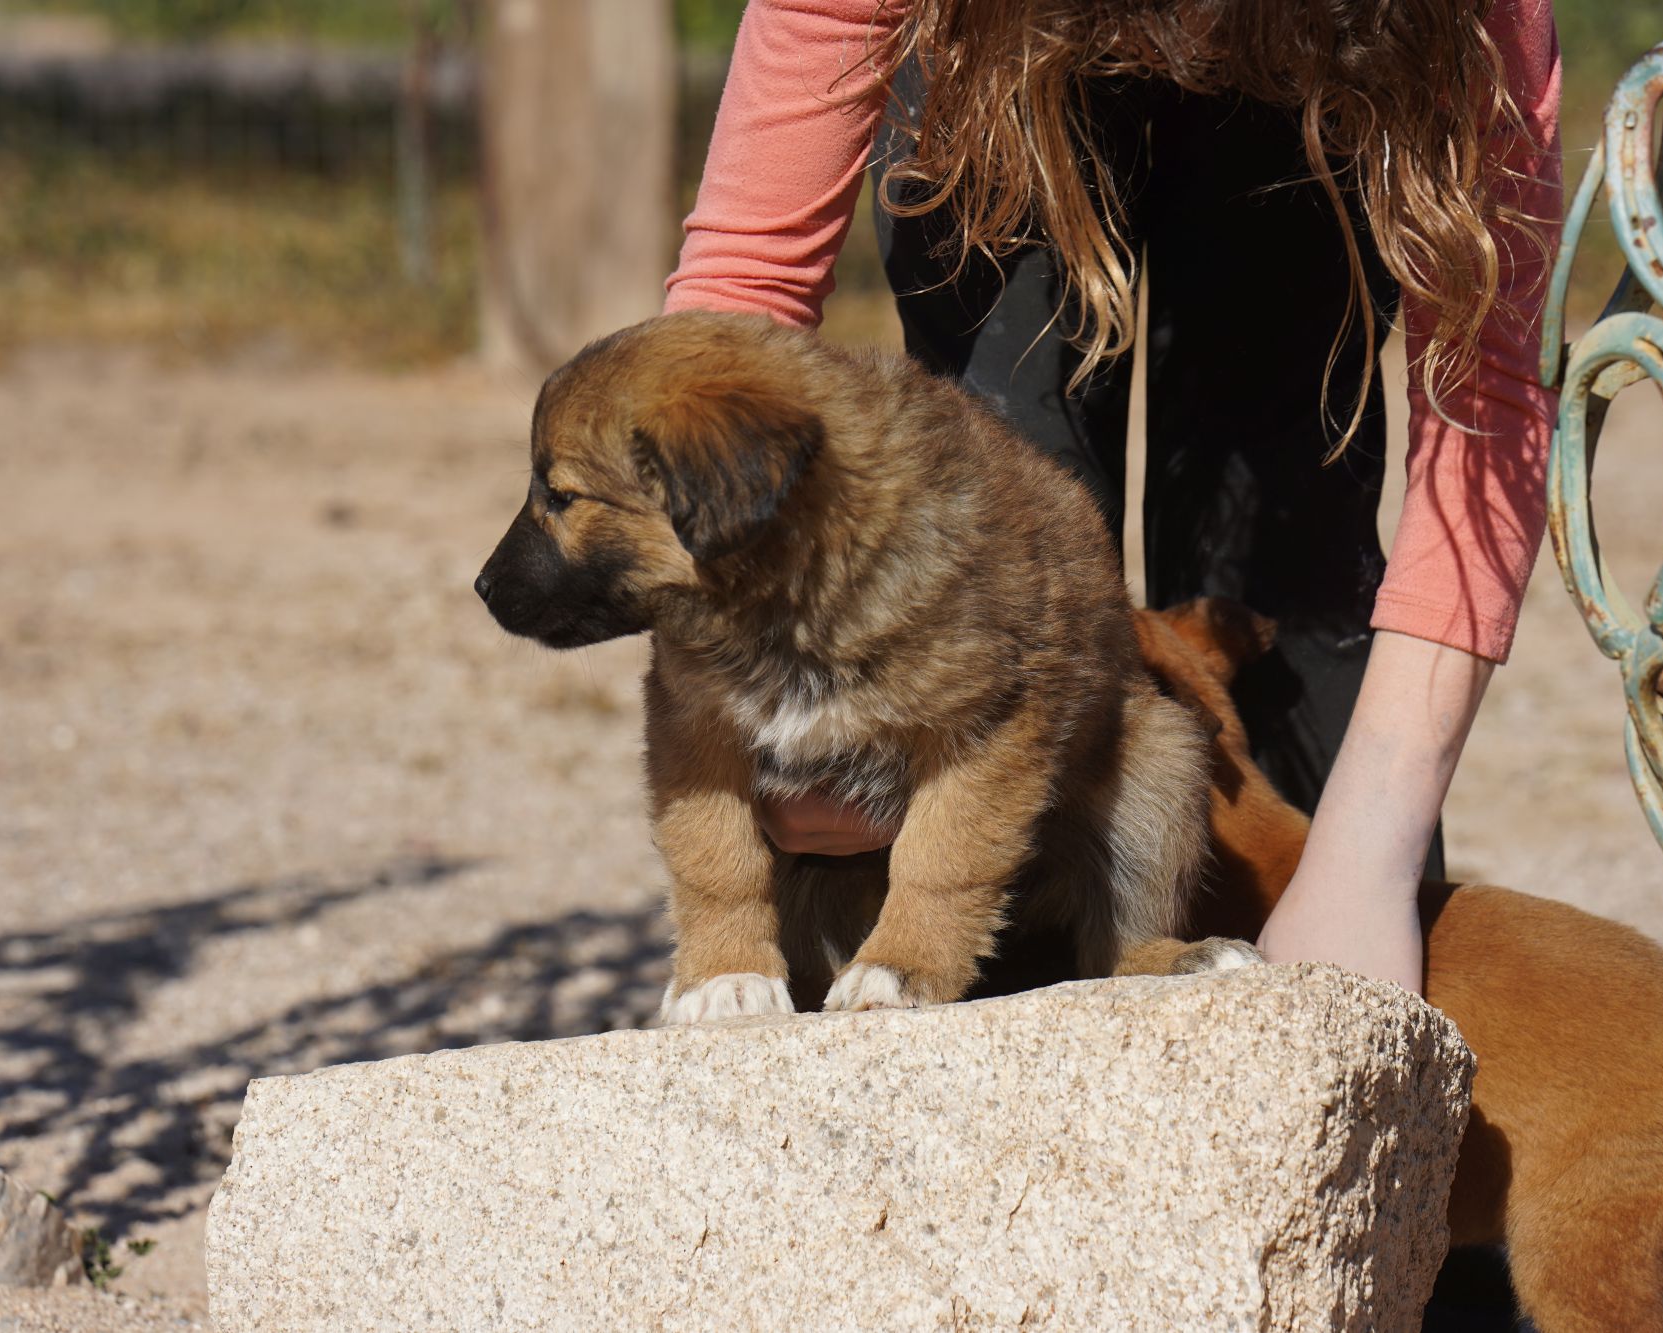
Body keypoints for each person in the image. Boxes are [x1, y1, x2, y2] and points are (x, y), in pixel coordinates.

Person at [661, 0, 1563, 994]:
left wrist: (1366, 858)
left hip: (1326, 48)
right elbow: (735, 307)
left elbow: (1491, 389)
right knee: (988, 557)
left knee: (1286, 573)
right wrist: (752, 715)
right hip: (998, 45)